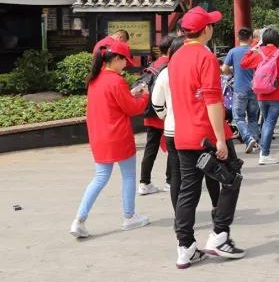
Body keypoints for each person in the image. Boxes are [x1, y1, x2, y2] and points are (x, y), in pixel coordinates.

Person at [170, 6, 244, 268]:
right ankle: (219, 235)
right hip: (207, 134)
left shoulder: (176, 57)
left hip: (183, 134)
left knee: (188, 191)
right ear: (206, 30)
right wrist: (220, 139)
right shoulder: (205, 56)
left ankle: (185, 247)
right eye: (211, 24)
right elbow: (212, 100)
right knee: (232, 179)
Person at [70, 38, 150, 239]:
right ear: (115, 59)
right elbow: (131, 108)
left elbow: (111, 102)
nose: (125, 65)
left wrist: (131, 93)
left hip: (99, 136)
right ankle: (129, 217)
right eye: (124, 61)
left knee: (99, 178)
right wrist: (144, 96)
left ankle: (79, 220)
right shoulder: (116, 80)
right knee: (129, 176)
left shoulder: (94, 79)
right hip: (119, 136)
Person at [153, 36, 220, 211]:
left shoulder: (165, 73)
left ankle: (180, 214)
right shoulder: (194, 67)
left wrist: (166, 116)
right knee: (210, 170)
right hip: (197, 127)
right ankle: (217, 207)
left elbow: (156, 102)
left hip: (172, 129)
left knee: (177, 174)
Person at [241, 27, 279, 165]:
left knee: (266, 122)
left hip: (261, 94)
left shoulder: (259, 53)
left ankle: (264, 152)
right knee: (269, 123)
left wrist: (253, 48)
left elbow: (243, 63)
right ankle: (264, 154)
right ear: (277, 39)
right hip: (277, 94)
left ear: (263, 40)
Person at [135, 35, 174, 195]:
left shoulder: (152, 65)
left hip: (150, 114)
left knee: (150, 149)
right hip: (165, 114)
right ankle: (170, 181)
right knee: (173, 149)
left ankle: (144, 182)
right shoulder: (171, 66)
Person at [221, 27, 259, 154]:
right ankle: (255, 141)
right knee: (253, 117)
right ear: (250, 38)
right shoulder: (255, 52)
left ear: (238, 38)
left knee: (238, 117)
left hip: (239, 89)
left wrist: (232, 71)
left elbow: (224, 68)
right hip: (254, 88)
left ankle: (248, 138)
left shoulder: (233, 52)